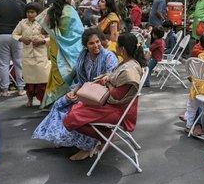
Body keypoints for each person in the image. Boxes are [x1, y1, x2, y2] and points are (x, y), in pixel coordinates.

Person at [32, 28, 119, 157]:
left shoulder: (108, 56)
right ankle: (60, 136)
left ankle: (87, 145)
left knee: (73, 109)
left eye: (97, 41)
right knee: (59, 104)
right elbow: (81, 81)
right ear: (85, 46)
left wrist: (101, 80)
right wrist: (73, 92)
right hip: (85, 92)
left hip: (101, 96)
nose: (96, 45)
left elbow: (112, 77)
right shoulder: (83, 56)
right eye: (91, 43)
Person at [62, 32, 146, 160]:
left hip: (118, 111)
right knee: (75, 109)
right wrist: (107, 79)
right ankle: (103, 136)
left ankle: (104, 136)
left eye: (117, 45)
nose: (115, 47)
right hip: (116, 106)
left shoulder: (129, 70)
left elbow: (117, 95)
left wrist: (107, 82)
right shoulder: (129, 63)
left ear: (122, 49)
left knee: (72, 117)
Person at [37, 0, 84, 108]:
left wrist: (55, 33)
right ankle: (67, 100)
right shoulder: (71, 11)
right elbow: (79, 32)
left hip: (55, 47)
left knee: (56, 72)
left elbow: (43, 29)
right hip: (71, 48)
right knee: (68, 71)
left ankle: (54, 100)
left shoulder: (51, 10)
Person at [12, 3, 50, 107]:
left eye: (32, 12)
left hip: (41, 56)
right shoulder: (22, 23)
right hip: (27, 56)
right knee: (29, 82)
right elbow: (14, 34)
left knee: (43, 81)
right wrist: (21, 39)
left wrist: (43, 41)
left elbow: (52, 37)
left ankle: (43, 101)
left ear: (38, 13)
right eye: (28, 12)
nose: (30, 14)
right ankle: (29, 100)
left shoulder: (43, 23)